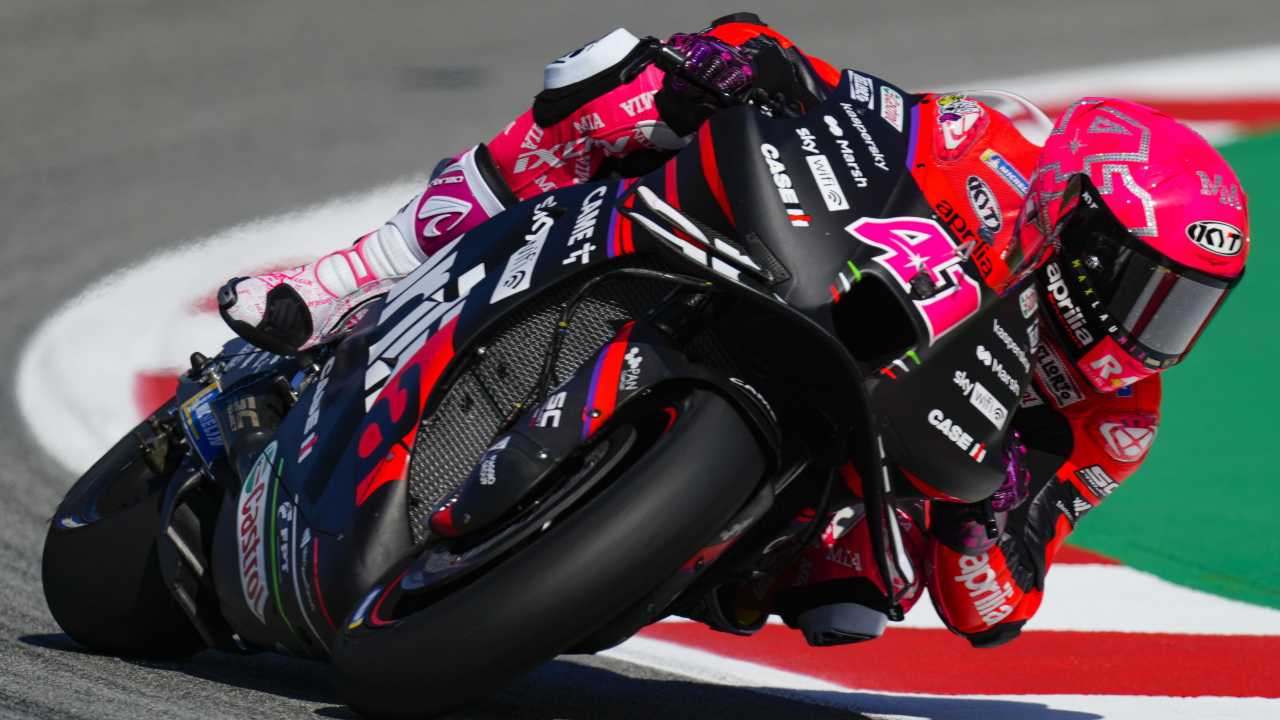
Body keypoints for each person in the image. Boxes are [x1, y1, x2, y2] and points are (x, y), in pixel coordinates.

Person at [215, 14, 1250, 647]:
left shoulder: (1115, 418)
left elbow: (993, 607)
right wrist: (734, 64)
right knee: (624, 86)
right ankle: (353, 276)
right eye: (1141, 285)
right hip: (793, 282)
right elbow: (833, 92)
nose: (1146, 327)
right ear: (1068, 219)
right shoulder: (987, 147)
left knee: (855, 600)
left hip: (851, 472)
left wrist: (1000, 507)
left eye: (1185, 305)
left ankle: (619, 551)